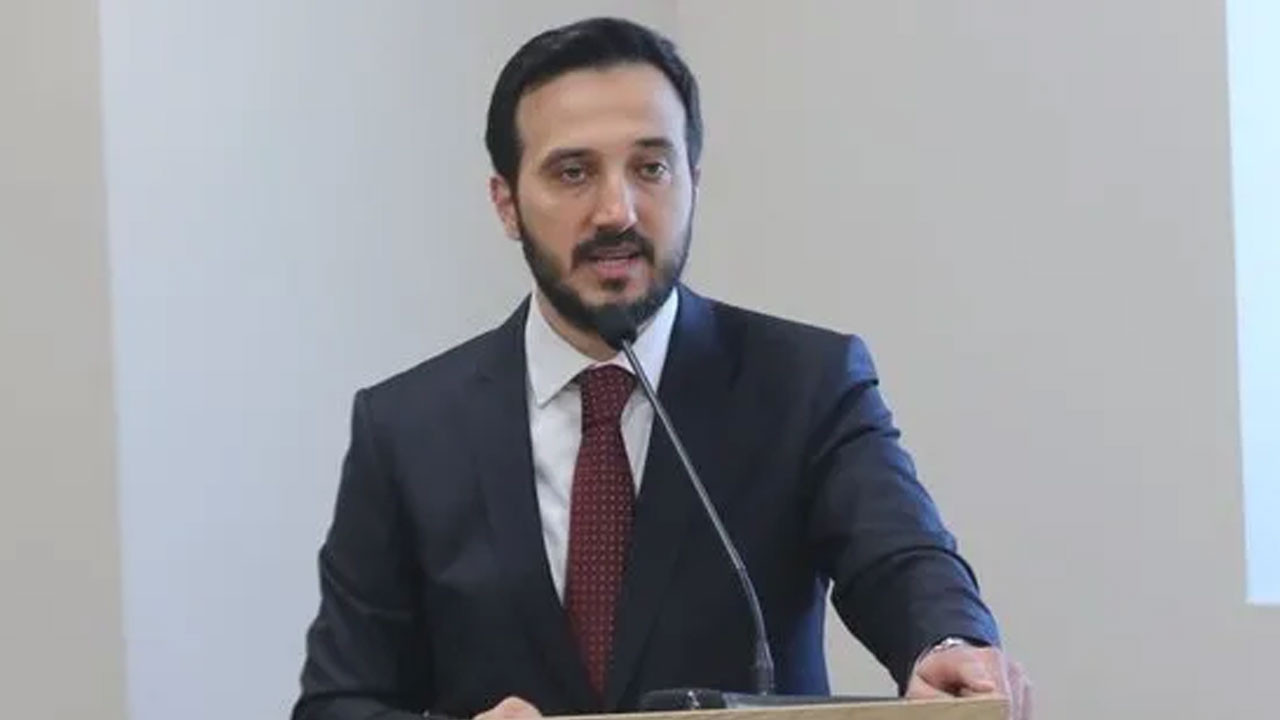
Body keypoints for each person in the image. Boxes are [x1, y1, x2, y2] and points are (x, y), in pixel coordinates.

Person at [293, 16, 1030, 720]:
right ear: (506, 203)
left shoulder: (805, 383)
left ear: (692, 181)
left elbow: (899, 555)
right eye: (573, 172)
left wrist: (947, 644)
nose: (617, 211)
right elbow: (338, 703)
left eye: (651, 168)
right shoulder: (406, 429)